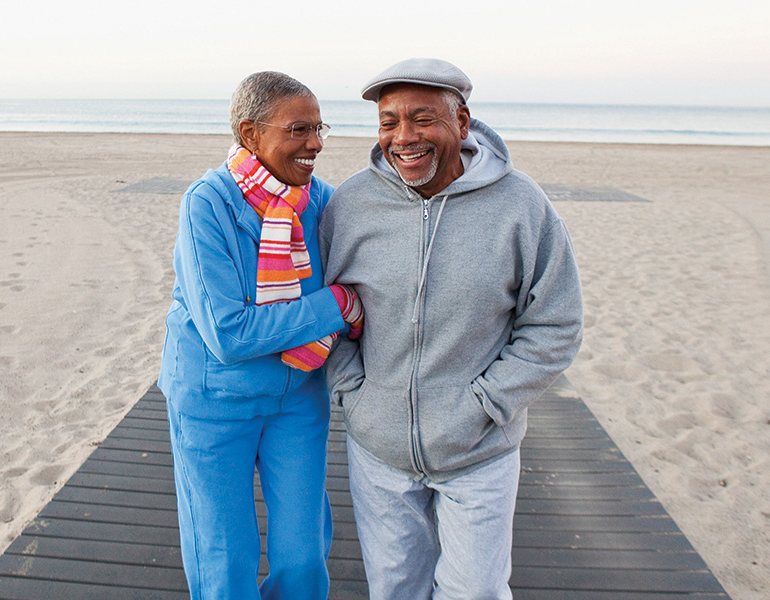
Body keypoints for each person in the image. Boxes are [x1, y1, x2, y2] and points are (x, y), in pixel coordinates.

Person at [319, 58, 583, 599]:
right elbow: (327, 310)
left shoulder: (521, 205)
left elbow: (555, 324)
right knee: (395, 589)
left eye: (422, 119)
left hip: (479, 451)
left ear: (461, 123)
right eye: (389, 122)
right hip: (379, 449)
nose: (404, 137)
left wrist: (485, 405)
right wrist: (354, 393)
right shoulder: (351, 205)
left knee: (477, 593)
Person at [158, 71, 364, 600]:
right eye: (298, 129)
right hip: (212, 402)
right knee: (224, 556)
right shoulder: (207, 203)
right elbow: (228, 333)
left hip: (298, 396)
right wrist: (335, 305)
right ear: (250, 133)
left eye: (320, 128)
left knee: (303, 555)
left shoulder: (324, 201)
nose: (315, 143)